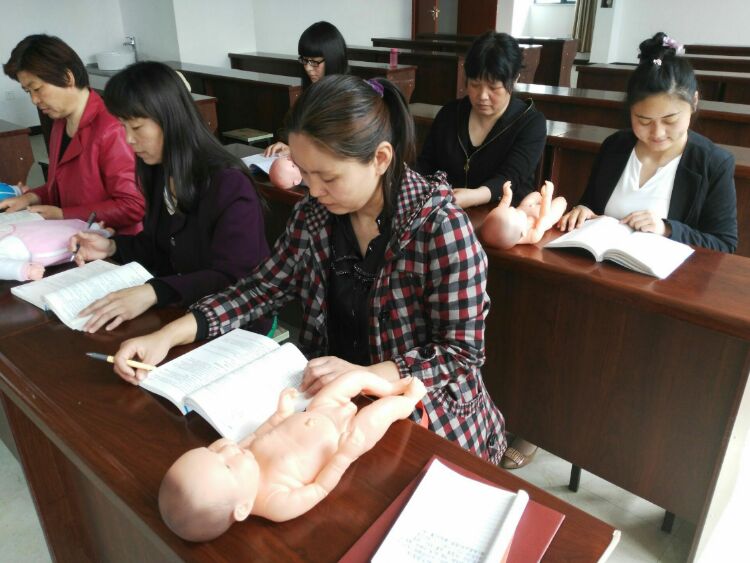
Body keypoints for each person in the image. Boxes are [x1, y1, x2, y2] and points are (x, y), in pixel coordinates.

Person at [111, 74, 506, 465]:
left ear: (380, 159)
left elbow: (459, 353)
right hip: (334, 405)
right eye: (304, 171)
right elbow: (259, 289)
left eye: (328, 176)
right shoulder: (316, 216)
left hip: (427, 414)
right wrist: (167, 336)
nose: (313, 190)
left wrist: (361, 375)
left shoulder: (440, 228)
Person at [68, 62, 270, 333]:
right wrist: (112, 247)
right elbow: (161, 247)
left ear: (171, 119)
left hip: (235, 325)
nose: (128, 139)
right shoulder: (159, 170)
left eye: (137, 127)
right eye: (123, 126)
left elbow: (235, 279)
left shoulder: (229, 184)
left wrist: (154, 292)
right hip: (182, 309)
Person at [159, 371, 426, 541]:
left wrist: (281, 414)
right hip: (343, 438)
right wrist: (345, 456)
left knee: (350, 379)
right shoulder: (275, 504)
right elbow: (319, 488)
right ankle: (405, 401)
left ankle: (388, 387)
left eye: (212, 450)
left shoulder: (242, 455)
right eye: (227, 465)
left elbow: (260, 433)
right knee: (378, 416)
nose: (228, 448)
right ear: (241, 508)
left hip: (316, 411)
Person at [558, 32, 737, 254]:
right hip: (601, 269)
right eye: (643, 120)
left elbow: (724, 244)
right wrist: (582, 209)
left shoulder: (714, 163)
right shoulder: (615, 146)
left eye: (670, 120)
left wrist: (667, 229)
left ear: (694, 101)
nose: (657, 132)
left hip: (666, 282)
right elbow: (591, 204)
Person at [1, 34, 144, 234]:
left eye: (37, 89)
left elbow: (132, 206)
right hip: (75, 235)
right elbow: (65, 186)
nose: (34, 100)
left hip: (115, 245)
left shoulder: (112, 127)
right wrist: (31, 197)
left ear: (68, 77)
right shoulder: (60, 122)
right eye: (28, 92)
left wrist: (62, 215)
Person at [415, 31, 546, 209]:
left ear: (514, 79)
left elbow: (510, 177)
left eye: (493, 87)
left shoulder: (530, 123)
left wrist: (475, 196)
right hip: (447, 214)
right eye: (475, 85)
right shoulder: (450, 113)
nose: (482, 96)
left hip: (503, 216)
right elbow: (426, 164)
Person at [264, 21, 349, 157]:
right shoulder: (309, 92)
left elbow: (339, 149)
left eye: (314, 62)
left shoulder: (349, 98)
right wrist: (286, 145)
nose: (308, 68)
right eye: (304, 60)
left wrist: (297, 152)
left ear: (333, 59)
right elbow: (291, 129)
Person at [480, 180, 567, 249]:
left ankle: (539, 197)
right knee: (561, 201)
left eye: (510, 209)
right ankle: (547, 199)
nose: (512, 207)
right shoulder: (532, 236)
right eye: (515, 211)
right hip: (545, 213)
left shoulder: (512, 227)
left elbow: (503, 207)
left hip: (526, 207)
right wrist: (547, 196)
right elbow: (544, 216)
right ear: (523, 231)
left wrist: (507, 195)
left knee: (535, 194)